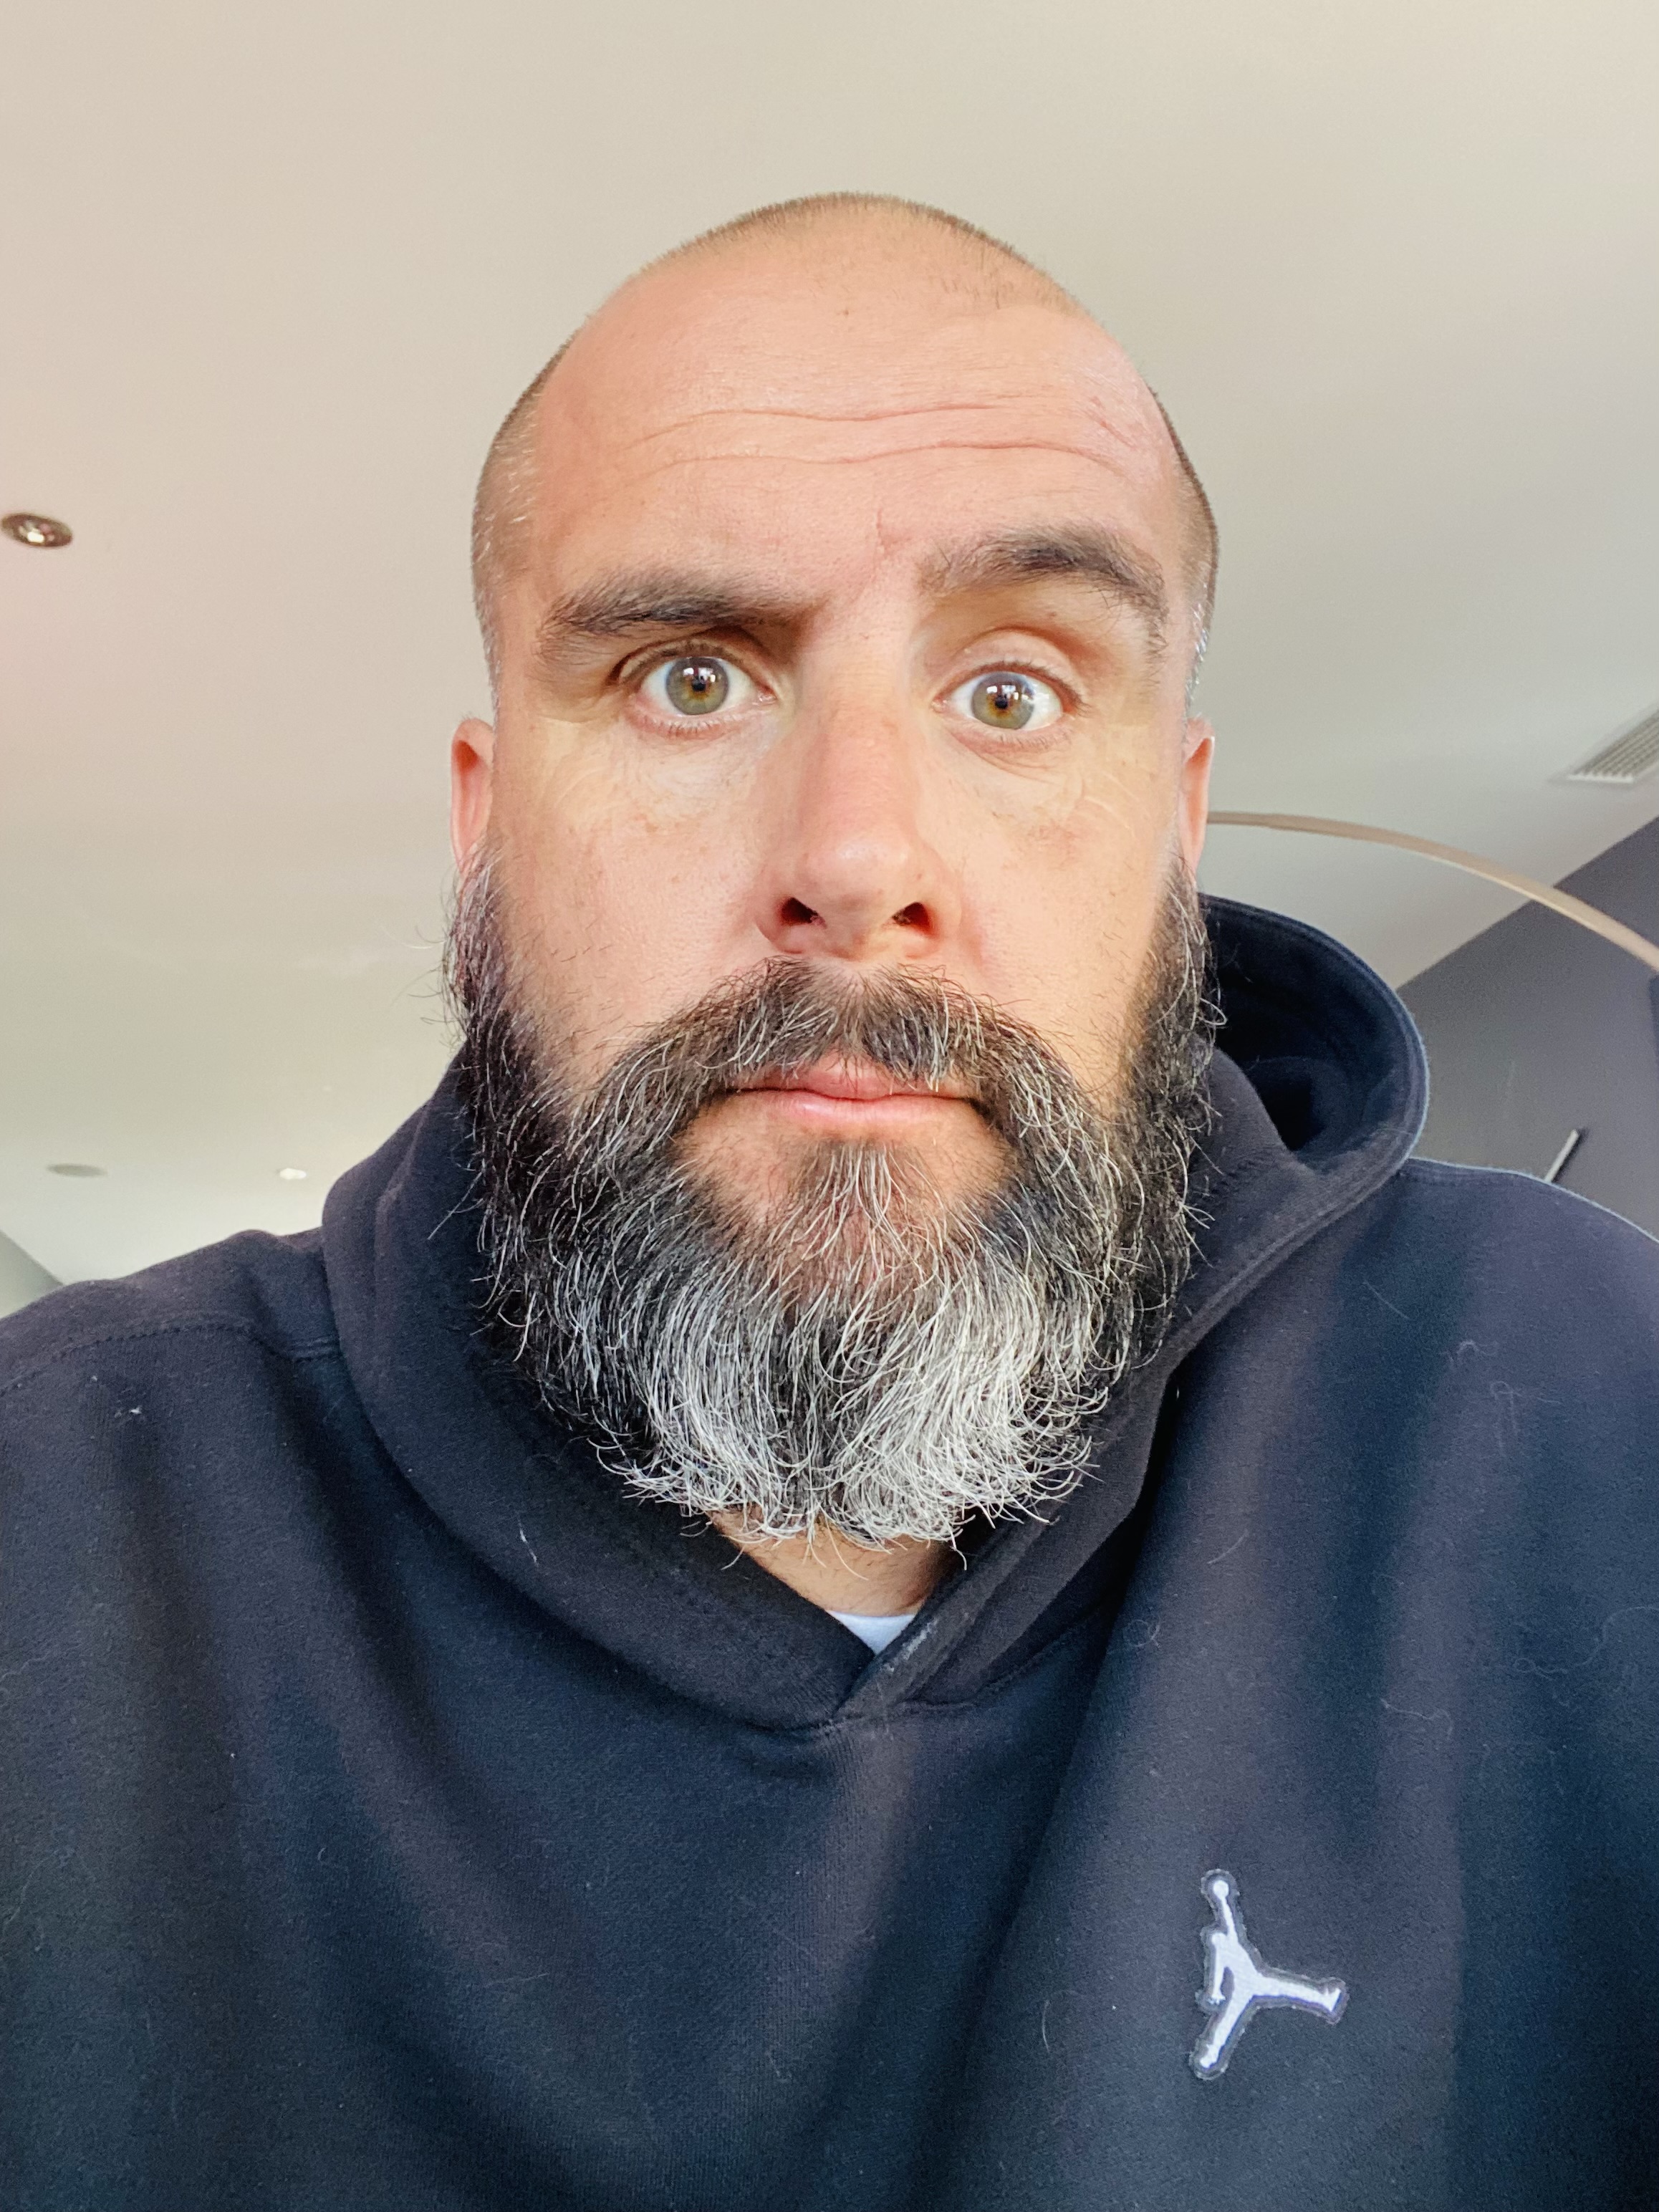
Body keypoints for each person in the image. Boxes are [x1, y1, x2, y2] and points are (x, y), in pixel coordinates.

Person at [1, 193, 1655, 2212]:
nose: (858, 860)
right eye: (690, 679)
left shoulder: (1588, 1415)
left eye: (1013, 692)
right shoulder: (53, 1515)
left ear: (1176, 824)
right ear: (487, 830)